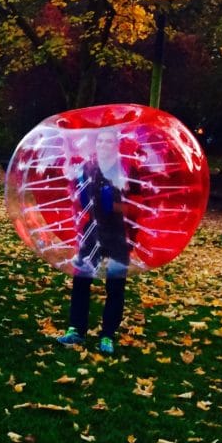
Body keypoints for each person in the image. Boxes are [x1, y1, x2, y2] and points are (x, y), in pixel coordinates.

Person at [56, 130, 139, 356]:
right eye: (100, 140)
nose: (103, 144)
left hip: (119, 235)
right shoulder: (88, 167)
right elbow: (78, 197)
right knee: (81, 279)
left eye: (109, 141)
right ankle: (76, 330)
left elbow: (138, 206)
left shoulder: (127, 171)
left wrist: (116, 206)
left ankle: (107, 335)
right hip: (92, 232)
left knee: (115, 286)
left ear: (116, 145)